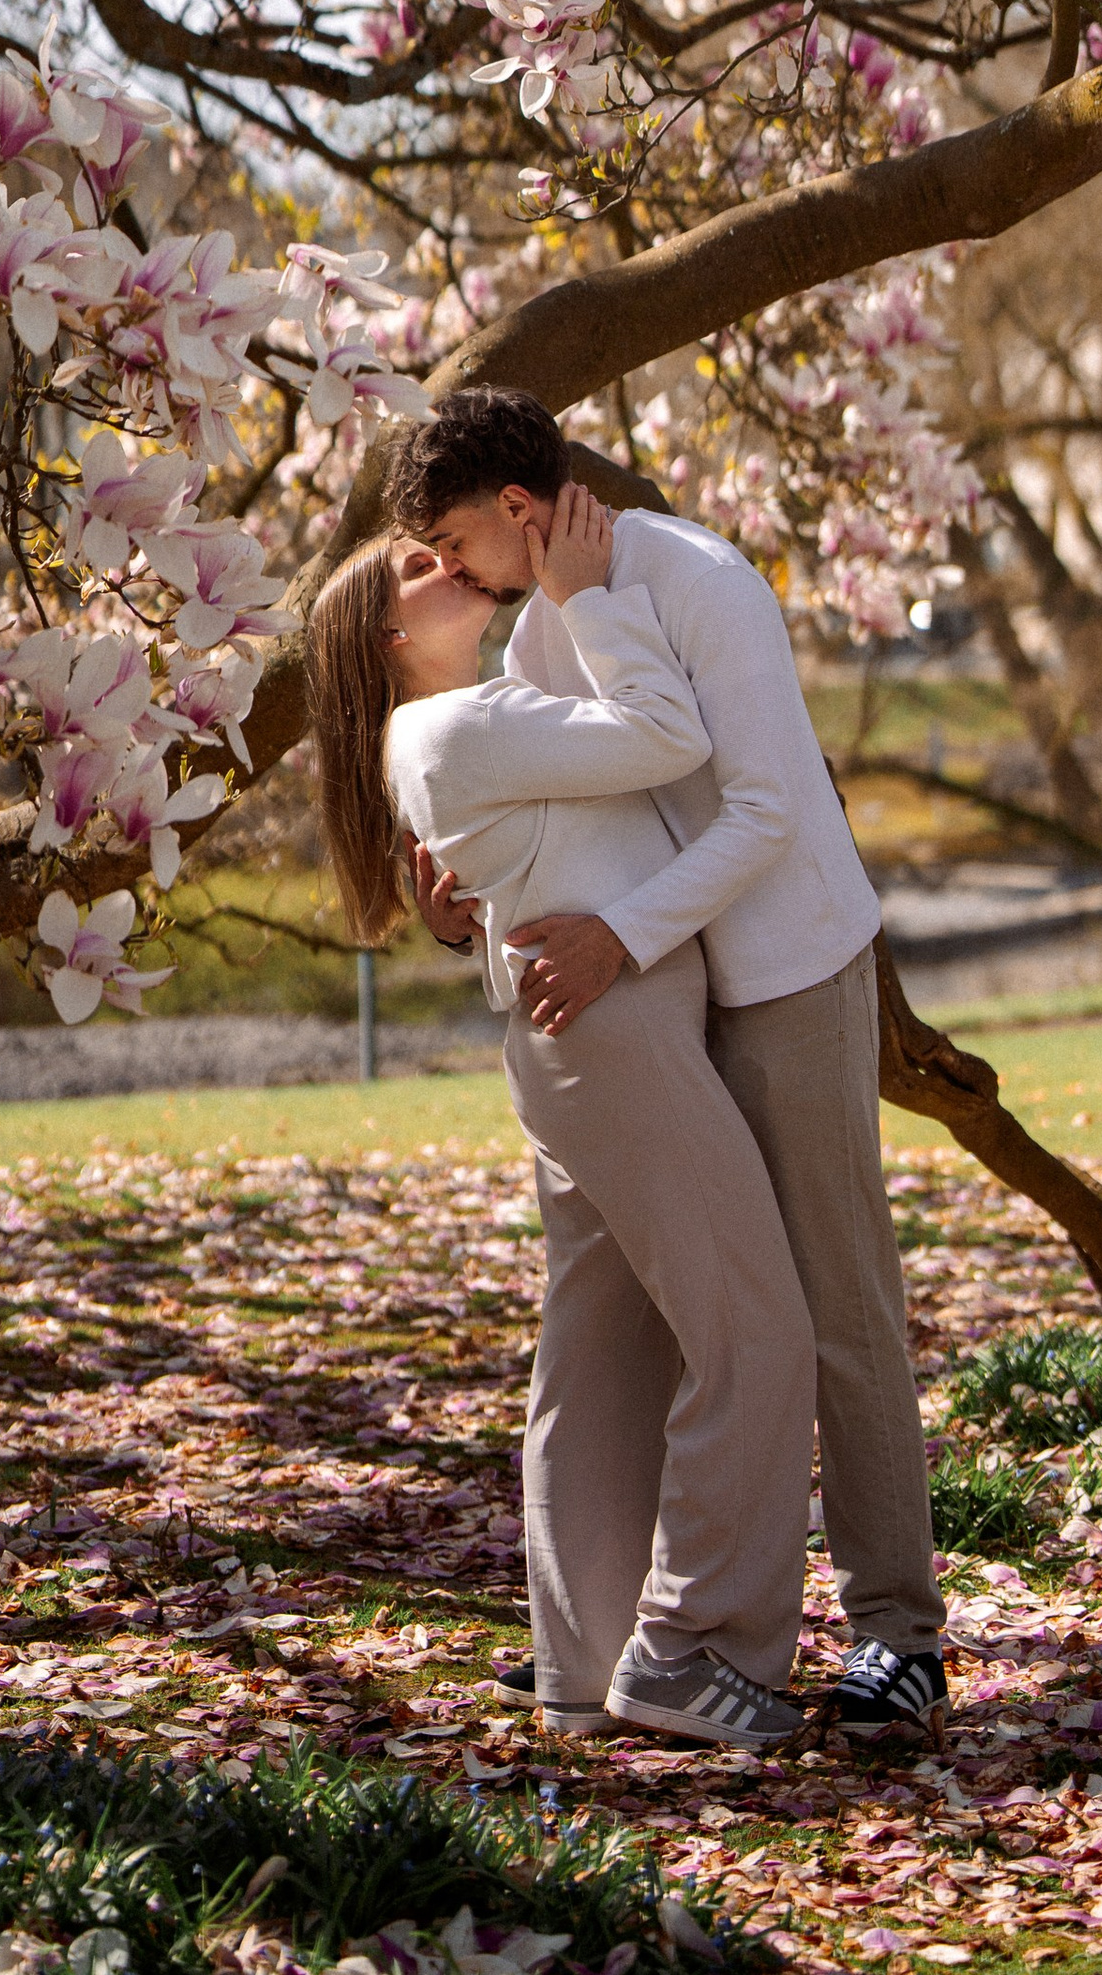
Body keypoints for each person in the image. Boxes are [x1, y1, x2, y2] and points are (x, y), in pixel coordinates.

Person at [386, 388, 948, 1744]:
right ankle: (624, 1645)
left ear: (520, 511)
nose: (448, 572)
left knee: (831, 1301)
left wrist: (620, 941)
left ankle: (899, 1638)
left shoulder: (698, 578)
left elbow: (759, 808)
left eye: (457, 541)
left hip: (791, 972)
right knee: (650, 1305)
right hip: (658, 990)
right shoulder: (534, 622)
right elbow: (554, 791)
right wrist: (464, 888)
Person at [308, 480, 817, 1752]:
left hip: (580, 1051)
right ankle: (691, 1650)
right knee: (757, 1333)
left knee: (592, 1363)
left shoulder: (440, 735)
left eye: (441, 546)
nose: (446, 565)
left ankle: (579, 1660)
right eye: (417, 567)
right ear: (388, 634)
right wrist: (587, 597)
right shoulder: (461, 725)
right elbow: (667, 737)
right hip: (616, 1045)